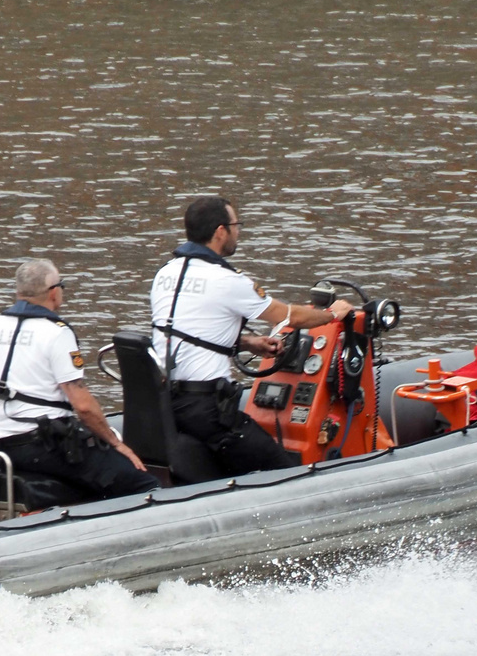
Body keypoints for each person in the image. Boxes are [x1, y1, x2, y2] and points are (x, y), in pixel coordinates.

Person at [150, 196, 354, 475]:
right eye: (236, 224)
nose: (238, 232)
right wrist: (333, 313)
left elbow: (186, 331)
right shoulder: (227, 280)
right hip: (208, 411)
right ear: (220, 231)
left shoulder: (165, 273)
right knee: (282, 468)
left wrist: (247, 343)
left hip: (167, 404)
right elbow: (290, 317)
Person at [0, 259, 160, 500]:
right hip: (48, 448)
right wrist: (116, 443)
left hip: (2, 447)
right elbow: (83, 406)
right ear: (54, 292)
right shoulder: (56, 333)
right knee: (143, 484)